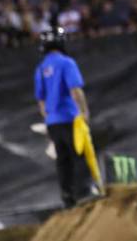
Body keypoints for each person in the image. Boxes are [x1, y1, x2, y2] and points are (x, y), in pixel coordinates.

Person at [34, 27, 92, 207]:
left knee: (62, 161)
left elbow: (41, 101)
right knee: (79, 155)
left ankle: (68, 198)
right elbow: (75, 90)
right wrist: (84, 112)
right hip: (70, 119)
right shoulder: (67, 63)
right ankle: (84, 194)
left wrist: (48, 120)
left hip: (53, 122)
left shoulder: (41, 68)